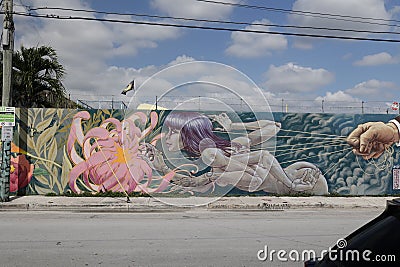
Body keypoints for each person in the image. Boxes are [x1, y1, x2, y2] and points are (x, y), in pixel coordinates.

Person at [144, 111, 328, 195]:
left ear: (189, 134)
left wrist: (162, 168)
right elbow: (273, 127)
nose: (166, 137)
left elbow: (256, 175)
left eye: (173, 131)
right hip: (291, 176)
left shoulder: (211, 156)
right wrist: (235, 127)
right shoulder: (232, 147)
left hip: (294, 183)